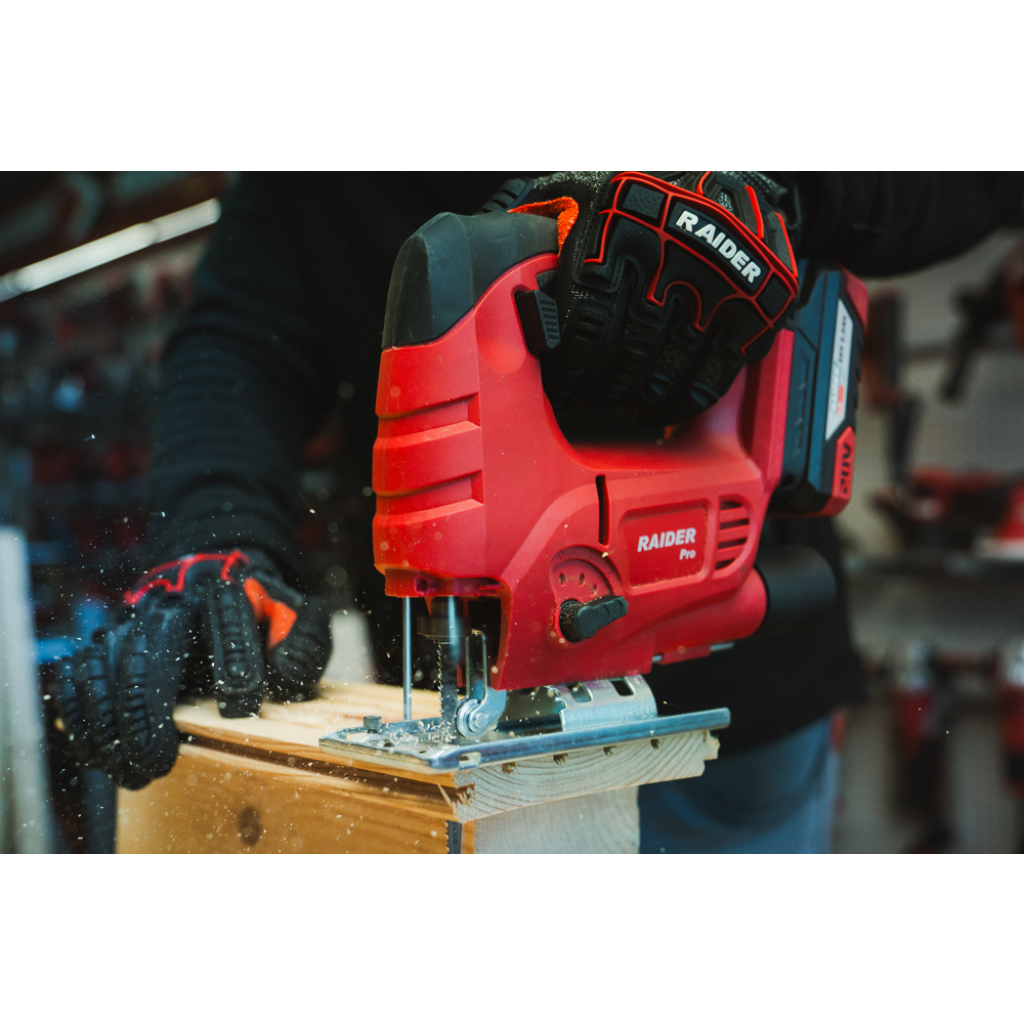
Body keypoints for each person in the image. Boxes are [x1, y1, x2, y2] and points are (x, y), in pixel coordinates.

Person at [57, 172, 1024, 848]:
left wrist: (778, 192)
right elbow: (238, 339)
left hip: (739, 709)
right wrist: (216, 536)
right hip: (462, 710)